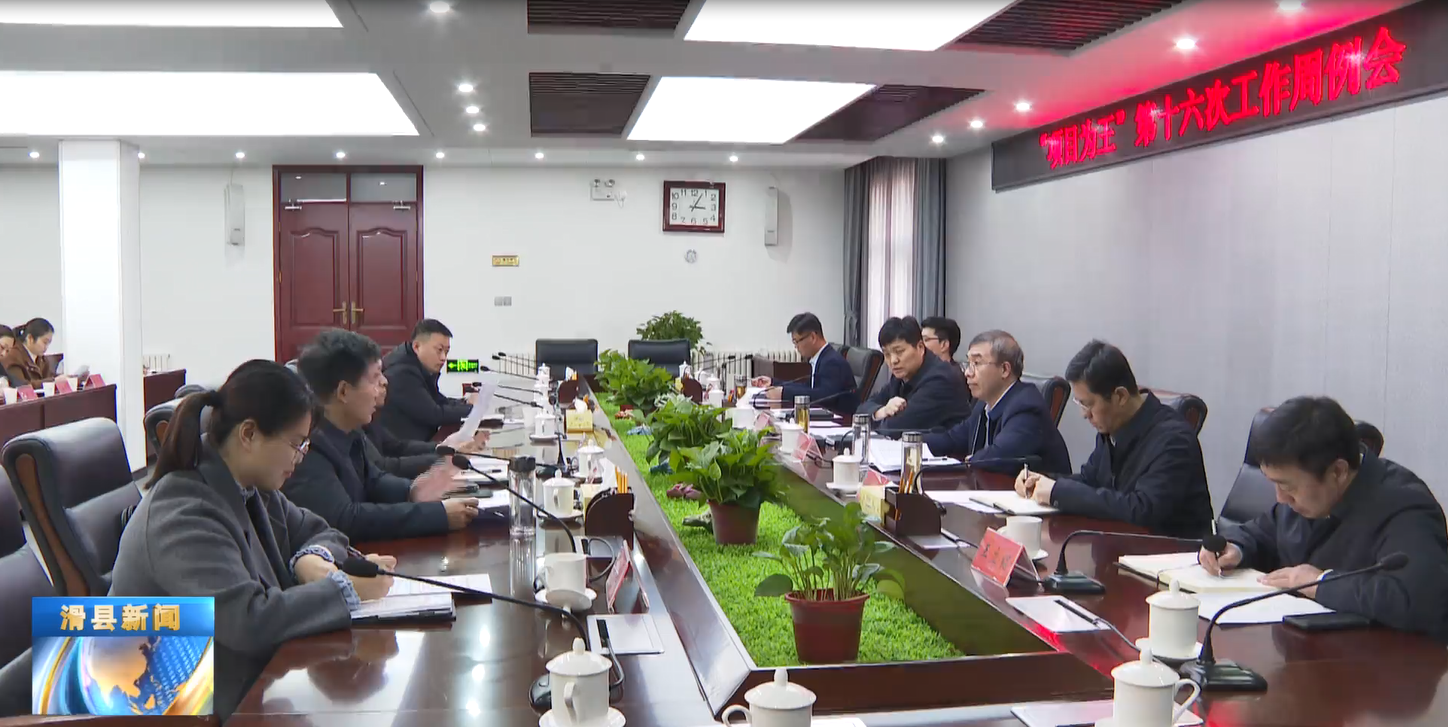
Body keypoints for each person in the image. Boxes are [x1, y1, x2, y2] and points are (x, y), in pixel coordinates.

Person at [107, 359, 396, 720]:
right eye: (296, 444)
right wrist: (345, 589)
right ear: (248, 434)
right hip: (172, 703)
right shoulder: (183, 513)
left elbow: (322, 530)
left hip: (234, 680)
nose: (300, 458)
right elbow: (248, 622)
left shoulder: (248, 486)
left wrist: (311, 558)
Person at [1200, 397, 1448, 642]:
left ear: (1337, 472)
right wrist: (1235, 547)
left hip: (1381, 658)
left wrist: (1321, 583)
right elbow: (1263, 532)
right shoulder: (1305, 498)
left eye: (1287, 486)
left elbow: (1417, 600)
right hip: (1303, 647)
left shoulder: (1406, 507)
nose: (1280, 498)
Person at [284, 329, 479, 541]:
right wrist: (438, 515)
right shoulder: (307, 445)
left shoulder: (349, 430)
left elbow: (374, 480)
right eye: (375, 377)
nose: (384, 382)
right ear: (343, 392)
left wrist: (413, 490)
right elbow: (345, 519)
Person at [1017, 340, 1212, 538]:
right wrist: (1042, 480)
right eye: (1080, 404)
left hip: (1171, 550)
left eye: (1088, 404)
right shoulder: (1112, 427)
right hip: (1119, 544)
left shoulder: (1174, 440)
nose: (1084, 414)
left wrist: (1059, 492)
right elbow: (1090, 481)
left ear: (1120, 396)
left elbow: (1142, 510)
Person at [923, 330, 1070, 474]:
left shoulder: (1027, 407)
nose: (968, 372)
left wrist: (972, 460)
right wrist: (915, 443)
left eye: (977, 363)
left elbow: (1000, 457)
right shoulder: (984, 404)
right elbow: (952, 438)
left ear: (1005, 369)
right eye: (969, 363)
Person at [856, 316, 973, 433]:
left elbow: (894, 429)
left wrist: (877, 418)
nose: (893, 360)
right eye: (887, 354)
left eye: (899, 352)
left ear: (920, 347)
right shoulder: (901, 375)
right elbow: (861, 411)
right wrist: (881, 411)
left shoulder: (940, 380)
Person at [378, 319, 475, 442]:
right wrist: (473, 409)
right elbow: (434, 414)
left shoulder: (419, 367)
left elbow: (438, 400)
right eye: (439, 350)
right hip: (405, 448)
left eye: (446, 351)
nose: (443, 358)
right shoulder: (402, 373)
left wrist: (464, 402)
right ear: (417, 347)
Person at [750, 312, 858, 414]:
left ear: (812, 337)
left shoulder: (832, 362)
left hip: (840, 421)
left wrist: (784, 393)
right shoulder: (820, 358)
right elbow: (807, 388)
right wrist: (773, 383)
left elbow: (824, 397)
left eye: (797, 341)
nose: (796, 347)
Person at [1, 317, 57, 388]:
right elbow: (21, 385)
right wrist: (53, 381)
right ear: (30, 338)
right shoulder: (14, 357)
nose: (46, 347)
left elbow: (50, 376)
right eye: (45, 342)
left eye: (49, 343)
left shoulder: (42, 359)